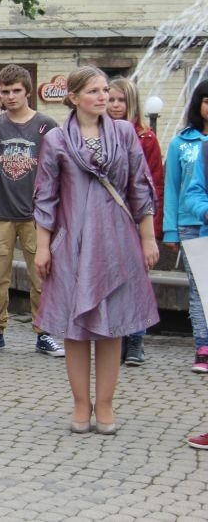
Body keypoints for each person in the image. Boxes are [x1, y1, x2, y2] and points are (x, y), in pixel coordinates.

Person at [33, 67, 159, 435]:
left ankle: (105, 406)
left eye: (106, 89)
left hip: (117, 240)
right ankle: (80, 405)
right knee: (75, 329)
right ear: (73, 97)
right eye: (94, 91)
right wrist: (43, 247)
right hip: (72, 241)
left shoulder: (124, 133)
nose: (103, 97)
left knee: (112, 327)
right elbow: (45, 195)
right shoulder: (56, 139)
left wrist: (148, 237)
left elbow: (140, 186)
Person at [0, 64, 64, 357]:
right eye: (5, 91)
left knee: (41, 277)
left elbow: (61, 166)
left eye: (16, 91)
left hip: (37, 214)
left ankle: (44, 333)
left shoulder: (46, 124)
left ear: (27, 92)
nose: (10, 96)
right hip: (0, 210)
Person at [107, 77, 164, 366]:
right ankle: (116, 338)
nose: (116, 106)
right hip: (107, 219)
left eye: (122, 101)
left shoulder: (146, 139)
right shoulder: (97, 135)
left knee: (138, 281)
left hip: (136, 219)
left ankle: (136, 341)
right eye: (112, 100)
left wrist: (152, 231)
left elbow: (155, 184)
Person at [163, 79, 208, 374]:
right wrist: (170, 230)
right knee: (199, 289)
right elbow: (173, 188)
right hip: (192, 225)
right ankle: (202, 347)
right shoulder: (182, 142)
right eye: (206, 100)